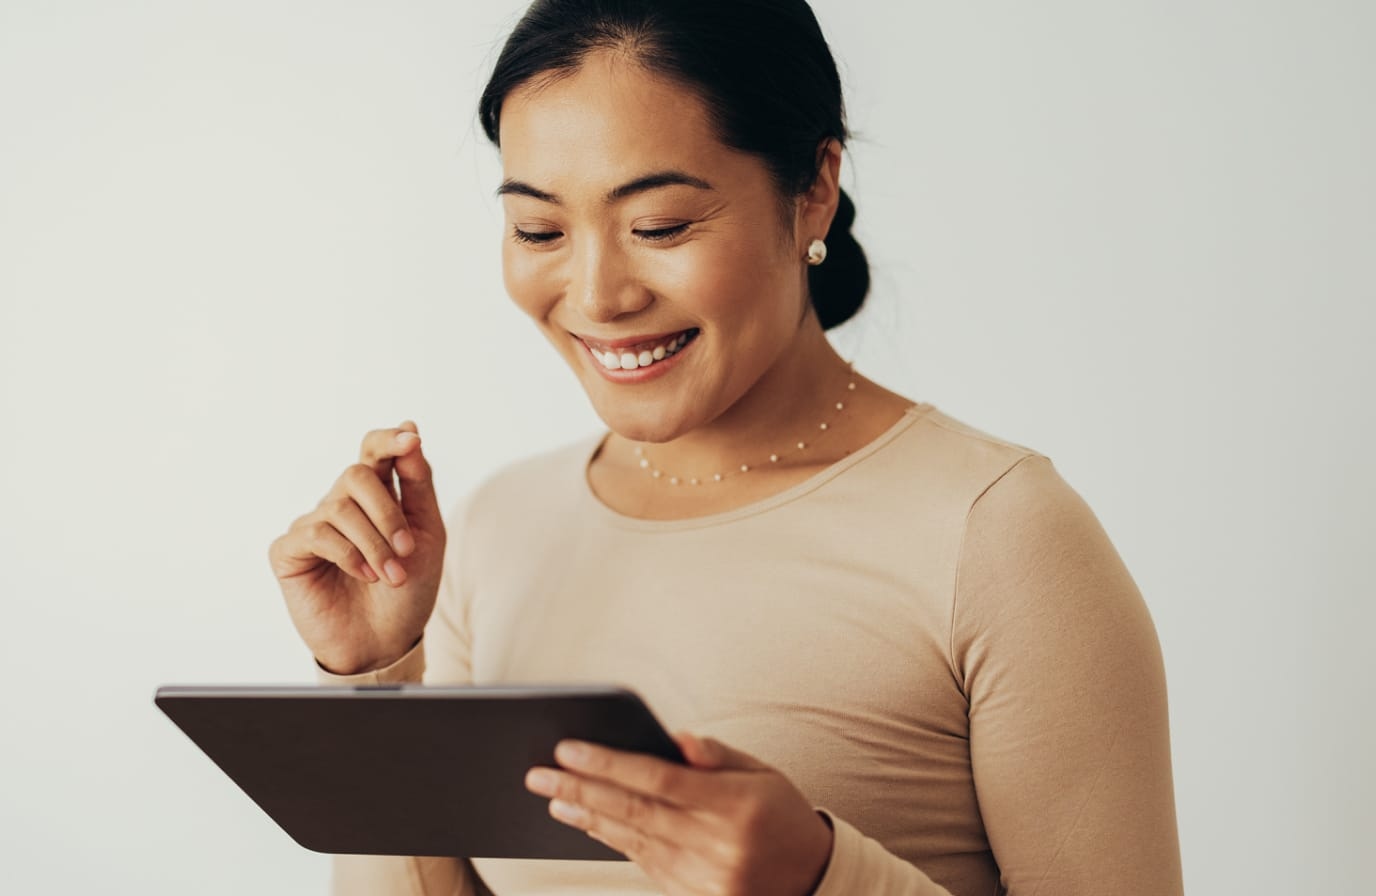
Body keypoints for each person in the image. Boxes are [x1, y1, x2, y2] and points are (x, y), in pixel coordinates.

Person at [268, 1, 1184, 893]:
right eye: (538, 230)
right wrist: (375, 688)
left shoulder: (999, 536)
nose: (597, 295)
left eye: (659, 226)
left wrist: (823, 879)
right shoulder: (496, 532)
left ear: (814, 188)